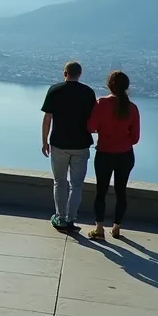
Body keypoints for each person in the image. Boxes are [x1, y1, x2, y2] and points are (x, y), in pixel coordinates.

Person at [41, 61, 97, 233]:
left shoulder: (54, 90)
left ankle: (60, 217)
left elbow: (47, 119)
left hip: (58, 144)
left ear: (65, 73)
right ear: (79, 74)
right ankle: (71, 218)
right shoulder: (88, 92)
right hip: (81, 144)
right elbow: (93, 121)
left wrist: (44, 141)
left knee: (59, 182)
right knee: (76, 184)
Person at [87, 70, 140, 240]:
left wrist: (104, 131)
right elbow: (135, 138)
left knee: (101, 192)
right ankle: (116, 228)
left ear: (109, 85)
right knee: (121, 191)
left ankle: (99, 229)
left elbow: (90, 127)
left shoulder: (101, 103)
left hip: (104, 154)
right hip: (125, 155)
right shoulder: (132, 108)